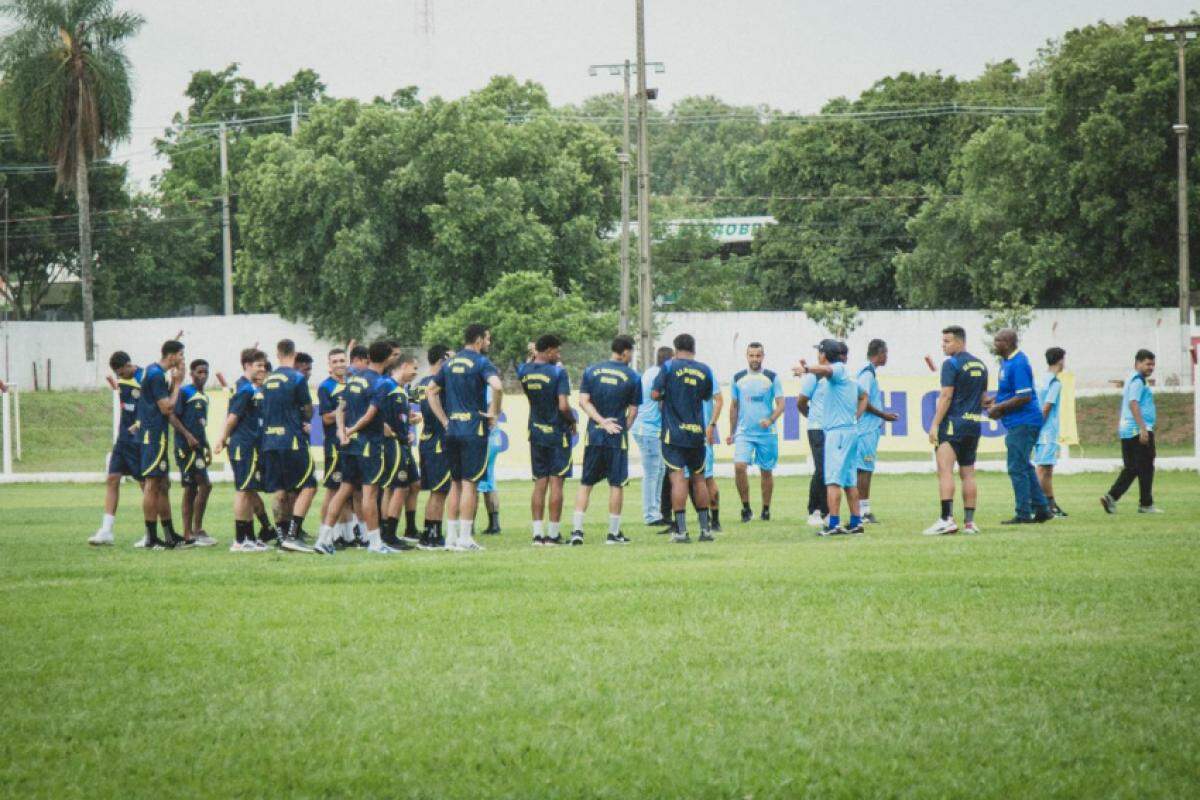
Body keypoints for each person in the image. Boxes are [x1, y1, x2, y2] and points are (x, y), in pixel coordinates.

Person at [425, 324, 503, 552]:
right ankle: (466, 538)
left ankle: (451, 537)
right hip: (473, 430)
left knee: (456, 484)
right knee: (471, 484)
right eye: (487, 339)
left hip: (452, 430)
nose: (489, 343)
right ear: (479, 340)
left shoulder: (450, 363)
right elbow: (497, 386)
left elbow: (431, 390)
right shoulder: (481, 362)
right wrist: (494, 413)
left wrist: (444, 420)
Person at [318, 340, 397, 554]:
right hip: (368, 444)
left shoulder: (353, 380)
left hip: (350, 445)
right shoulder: (381, 383)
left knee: (343, 491)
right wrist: (351, 431)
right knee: (369, 494)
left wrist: (342, 432)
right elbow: (370, 415)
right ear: (388, 357)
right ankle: (375, 543)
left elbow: (341, 407)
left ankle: (323, 539)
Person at [571, 335, 641, 545]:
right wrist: (620, 428)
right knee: (616, 484)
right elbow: (634, 410)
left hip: (594, 435)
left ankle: (577, 531)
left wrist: (601, 422)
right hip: (616, 437)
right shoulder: (632, 376)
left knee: (586, 483)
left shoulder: (591, 370)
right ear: (626, 352)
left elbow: (583, 401)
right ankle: (613, 533)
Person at [794, 340, 866, 535]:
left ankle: (833, 523)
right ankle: (856, 521)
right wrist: (855, 416)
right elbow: (863, 394)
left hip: (837, 432)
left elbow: (826, 371)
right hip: (849, 430)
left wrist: (807, 369)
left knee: (833, 480)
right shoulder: (846, 373)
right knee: (850, 480)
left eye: (819, 352)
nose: (818, 355)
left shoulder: (838, 370)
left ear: (824, 355)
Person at [924, 326, 987, 535]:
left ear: (960, 342)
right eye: (943, 341)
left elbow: (946, 396)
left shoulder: (950, 364)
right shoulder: (981, 364)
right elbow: (984, 399)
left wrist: (934, 424)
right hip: (974, 424)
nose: (943, 345)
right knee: (968, 473)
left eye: (947, 341)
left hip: (953, 424)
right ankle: (970, 523)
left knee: (945, 470)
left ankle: (946, 519)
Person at [652, 333, 716, 544]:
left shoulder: (669, 366)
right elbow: (707, 395)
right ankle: (706, 530)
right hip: (696, 432)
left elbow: (654, 393)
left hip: (674, 433)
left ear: (676, 347)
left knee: (678, 479)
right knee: (699, 479)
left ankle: (681, 531)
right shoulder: (704, 369)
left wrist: (667, 396)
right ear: (694, 348)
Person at [986, 329, 1052, 525]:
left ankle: (1023, 513)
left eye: (997, 340)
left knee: (1016, 467)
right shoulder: (1006, 363)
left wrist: (999, 407)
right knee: (1024, 465)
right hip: (1018, 421)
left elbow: (1024, 396)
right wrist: (994, 400)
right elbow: (1010, 392)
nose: (994, 344)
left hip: (1024, 422)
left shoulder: (1019, 363)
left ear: (1007, 342)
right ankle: (1042, 509)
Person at [260, 339, 318, 553]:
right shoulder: (296, 378)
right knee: (309, 485)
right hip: (291, 440)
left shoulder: (268, 380)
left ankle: (282, 535)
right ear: (294, 353)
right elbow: (307, 409)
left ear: (277, 354)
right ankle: (293, 535)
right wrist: (304, 419)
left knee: (280, 490)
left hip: (269, 441)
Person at [518, 334, 574, 546]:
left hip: (536, 431)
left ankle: (537, 534)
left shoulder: (524, 370)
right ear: (549, 350)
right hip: (557, 433)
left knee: (540, 482)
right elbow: (563, 406)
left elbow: (527, 364)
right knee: (557, 482)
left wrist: (533, 354)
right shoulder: (558, 372)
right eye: (557, 351)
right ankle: (553, 534)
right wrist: (572, 420)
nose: (558, 355)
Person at [213, 350, 270, 552]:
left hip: (250, 445)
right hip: (243, 445)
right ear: (246, 365)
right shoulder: (245, 390)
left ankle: (250, 538)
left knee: (247, 490)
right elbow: (232, 417)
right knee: (243, 491)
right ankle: (240, 540)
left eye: (264, 365)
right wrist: (221, 439)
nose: (262, 369)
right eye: (258, 365)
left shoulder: (248, 387)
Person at [136, 339, 191, 549]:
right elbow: (167, 408)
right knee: (152, 485)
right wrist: (177, 384)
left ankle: (169, 534)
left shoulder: (153, 371)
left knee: (162, 485)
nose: (182, 359)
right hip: (154, 436)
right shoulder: (156, 375)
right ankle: (151, 537)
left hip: (156, 435)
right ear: (171, 356)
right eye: (181, 355)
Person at [88, 352, 144, 545]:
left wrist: (140, 424)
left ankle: (151, 530)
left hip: (138, 440)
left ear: (129, 365)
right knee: (112, 479)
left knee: (146, 485)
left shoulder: (144, 378)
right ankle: (106, 531)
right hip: (122, 440)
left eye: (121, 373)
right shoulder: (122, 380)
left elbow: (152, 406)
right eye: (117, 374)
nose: (120, 377)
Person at [727, 342, 784, 523]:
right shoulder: (737, 378)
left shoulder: (772, 377)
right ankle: (746, 508)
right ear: (747, 356)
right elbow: (734, 406)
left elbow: (781, 404)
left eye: (758, 356)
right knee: (739, 467)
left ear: (763, 357)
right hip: (744, 433)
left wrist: (770, 420)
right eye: (751, 356)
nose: (754, 359)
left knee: (766, 472)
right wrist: (732, 432)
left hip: (767, 434)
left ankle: (765, 510)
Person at [1101, 349, 1161, 515]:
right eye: (1148, 364)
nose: (1151, 367)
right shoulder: (1137, 381)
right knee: (1146, 467)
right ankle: (1146, 504)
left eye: (1153, 364)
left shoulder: (1132, 380)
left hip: (1127, 429)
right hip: (1137, 430)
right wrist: (1143, 429)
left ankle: (1111, 497)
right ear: (1137, 363)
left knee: (1132, 468)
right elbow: (1133, 403)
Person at [855, 340, 900, 524]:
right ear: (879, 353)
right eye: (886, 353)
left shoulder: (868, 372)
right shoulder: (867, 374)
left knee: (866, 469)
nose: (887, 357)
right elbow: (862, 400)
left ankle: (861, 509)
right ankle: (863, 512)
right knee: (864, 470)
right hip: (865, 430)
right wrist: (883, 415)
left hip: (869, 429)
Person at [413, 344, 453, 549]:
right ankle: (433, 535)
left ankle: (429, 533)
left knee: (435, 491)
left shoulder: (421, 383)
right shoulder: (440, 384)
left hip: (426, 439)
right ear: (442, 359)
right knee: (440, 491)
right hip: (438, 441)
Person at [316, 348, 357, 547]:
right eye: (335, 361)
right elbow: (325, 417)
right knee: (333, 490)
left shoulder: (352, 384)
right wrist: (344, 410)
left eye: (342, 360)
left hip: (351, 443)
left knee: (348, 491)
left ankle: (346, 534)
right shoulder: (326, 387)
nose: (340, 364)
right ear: (329, 364)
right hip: (334, 444)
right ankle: (325, 533)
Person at [381, 353, 420, 550]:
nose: (416, 372)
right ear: (404, 366)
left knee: (414, 483)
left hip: (403, 443)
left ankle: (409, 528)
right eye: (414, 368)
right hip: (393, 445)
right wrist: (383, 427)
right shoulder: (387, 385)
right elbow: (371, 408)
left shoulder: (400, 389)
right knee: (399, 487)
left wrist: (409, 423)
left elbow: (397, 415)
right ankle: (388, 535)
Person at [632, 346, 674, 527]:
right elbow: (660, 405)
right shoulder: (661, 376)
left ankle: (655, 511)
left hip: (645, 428)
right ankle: (650, 514)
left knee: (660, 470)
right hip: (648, 429)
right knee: (652, 473)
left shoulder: (650, 372)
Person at [175, 359, 215, 546]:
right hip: (186, 448)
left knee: (199, 487)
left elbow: (200, 423)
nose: (203, 376)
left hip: (198, 448)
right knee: (197, 486)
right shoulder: (184, 392)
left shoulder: (204, 396)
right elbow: (173, 416)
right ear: (191, 374)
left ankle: (194, 530)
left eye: (205, 372)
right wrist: (187, 436)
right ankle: (190, 532)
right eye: (199, 372)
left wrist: (206, 445)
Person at [1034, 347, 1067, 517]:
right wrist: (1038, 426)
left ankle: (1051, 505)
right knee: (1042, 469)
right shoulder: (1054, 383)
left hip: (1041, 430)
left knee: (1047, 470)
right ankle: (1036, 505)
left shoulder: (1040, 379)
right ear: (1060, 360)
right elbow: (1047, 407)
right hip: (1047, 430)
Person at [797, 365, 828, 528]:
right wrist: (812, 417)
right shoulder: (814, 377)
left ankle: (827, 511)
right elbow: (801, 402)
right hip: (816, 428)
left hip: (832, 428)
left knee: (829, 470)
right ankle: (814, 510)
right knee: (821, 468)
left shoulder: (836, 376)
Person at [475, 385, 504, 535]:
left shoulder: (484, 388)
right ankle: (494, 524)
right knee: (489, 480)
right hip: (492, 437)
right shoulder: (488, 387)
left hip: (487, 438)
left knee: (474, 481)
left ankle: (470, 525)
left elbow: (489, 412)